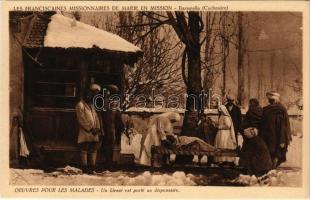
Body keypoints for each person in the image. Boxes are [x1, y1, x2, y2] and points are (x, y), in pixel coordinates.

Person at [239, 98, 273, 176]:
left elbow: (245, 124)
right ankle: (261, 169)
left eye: (250, 103)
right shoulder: (261, 111)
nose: (250, 105)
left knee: (249, 152)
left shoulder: (250, 111)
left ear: (251, 104)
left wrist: (244, 130)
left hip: (250, 135)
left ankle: (251, 169)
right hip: (258, 135)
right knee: (259, 152)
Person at [76, 84, 103, 174]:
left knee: (94, 149)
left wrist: (97, 128)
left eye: (90, 95)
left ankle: (93, 167)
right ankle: (85, 167)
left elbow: (95, 118)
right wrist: (90, 129)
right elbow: (81, 119)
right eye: (87, 95)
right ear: (84, 96)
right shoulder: (80, 105)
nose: (89, 96)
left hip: (94, 131)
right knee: (84, 148)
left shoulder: (92, 105)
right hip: (85, 131)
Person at [260, 91, 292, 168]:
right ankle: (271, 165)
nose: (270, 101)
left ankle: (273, 165)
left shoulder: (281, 109)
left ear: (275, 100)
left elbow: (285, 123)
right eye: (269, 100)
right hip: (269, 134)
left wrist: (285, 135)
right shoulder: (266, 109)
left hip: (278, 133)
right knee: (270, 150)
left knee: (277, 150)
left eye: (271, 100)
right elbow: (262, 122)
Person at [101, 84, 124, 167]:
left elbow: (113, 114)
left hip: (111, 124)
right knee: (109, 143)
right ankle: (108, 161)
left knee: (109, 143)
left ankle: (109, 161)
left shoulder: (110, 101)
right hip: (110, 124)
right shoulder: (111, 101)